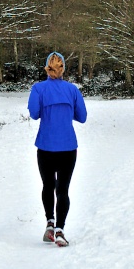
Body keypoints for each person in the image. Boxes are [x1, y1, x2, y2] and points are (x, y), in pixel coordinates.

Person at [27, 51, 87, 247]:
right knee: (63, 189)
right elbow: (82, 117)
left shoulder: (38, 89)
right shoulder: (72, 90)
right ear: (63, 69)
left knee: (48, 185)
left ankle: (49, 224)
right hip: (68, 147)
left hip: (45, 146)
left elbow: (34, 114)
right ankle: (60, 230)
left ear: (47, 67)